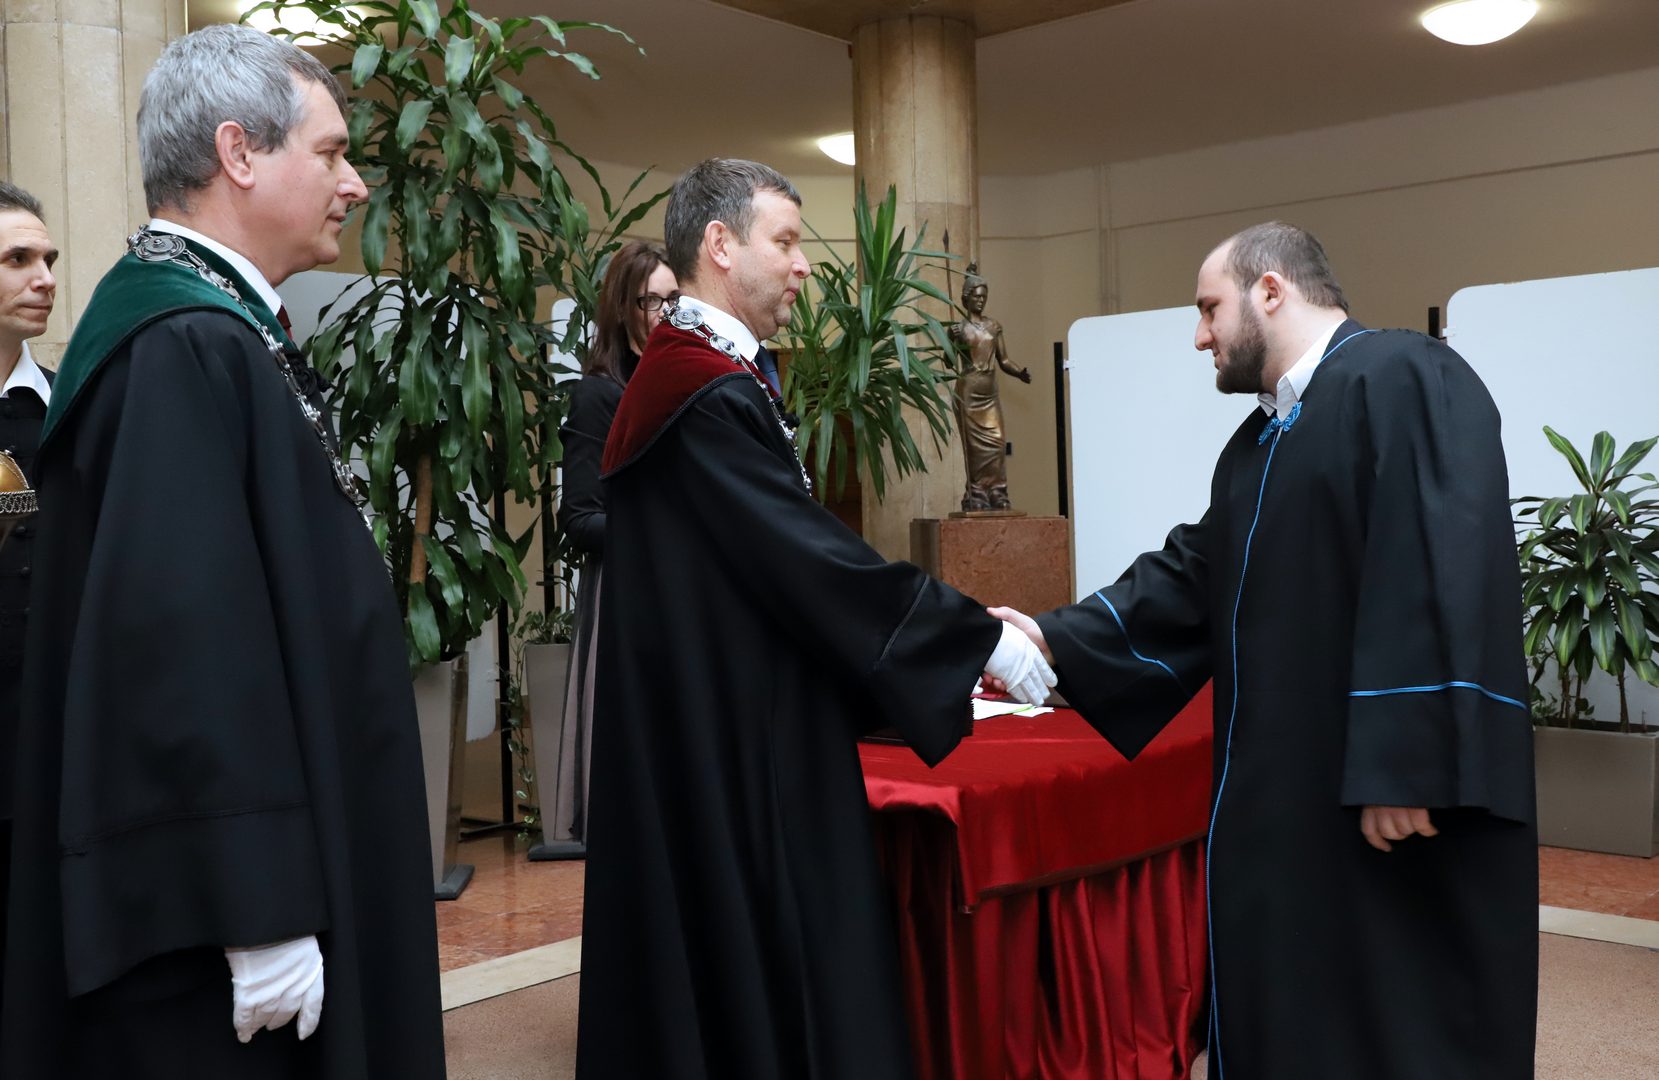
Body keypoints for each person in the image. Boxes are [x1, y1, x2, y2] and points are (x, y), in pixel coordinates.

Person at [1, 25, 445, 1078]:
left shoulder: (217, 328)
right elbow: (182, 642)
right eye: (331, 153)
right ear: (240, 153)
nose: (355, 185)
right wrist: (258, 910)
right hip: (227, 929)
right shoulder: (180, 342)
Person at [994, 222, 1537, 1079]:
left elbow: (1442, 557)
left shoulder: (1403, 374)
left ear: (1271, 290)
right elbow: (1192, 577)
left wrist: (1407, 764)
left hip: (1385, 791)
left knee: (1398, 1011)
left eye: (1208, 307)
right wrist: (1052, 639)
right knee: (1297, 1004)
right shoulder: (1256, 446)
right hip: (1291, 804)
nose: (1198, 334)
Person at [575, 158, 1054, 1080]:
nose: (803, 265)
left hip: (721, 724)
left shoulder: (702, 376)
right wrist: (972, 638)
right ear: (720, 245)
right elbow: (805, 561)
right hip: (737, 745)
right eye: (786, 241)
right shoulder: (700, 389)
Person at [534, 240, 676, 860]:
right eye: (652, 301)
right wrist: (666, 531)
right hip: (628, 602)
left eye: (675, 299)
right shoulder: (598, 395)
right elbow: (578, 518)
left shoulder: (688, 383)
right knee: (635, 798)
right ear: (623, 308)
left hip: (685, 595)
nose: (666, 313)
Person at [0, 180, 56, 1015]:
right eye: (17, 259)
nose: (43, 277)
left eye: (48, 258)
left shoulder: (70, 405)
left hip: (42, 734)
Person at [947, 262, 1030, 511]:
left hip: (989, 392)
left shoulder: (994, 326)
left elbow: (1004, 361)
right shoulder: (960, 328)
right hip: (968, 391)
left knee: (996, 443)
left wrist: (1019, 372)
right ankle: (977, 494)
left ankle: (997, 492)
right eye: (976, 296)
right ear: (966, 298)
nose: (981, 301)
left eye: (984, 297)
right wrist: (950, 340)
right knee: (974, 449)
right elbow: (948, 363)